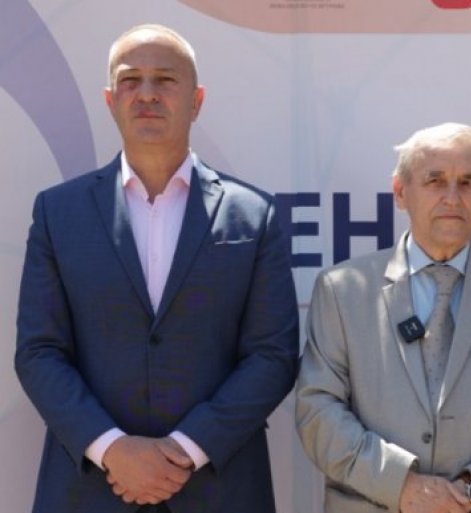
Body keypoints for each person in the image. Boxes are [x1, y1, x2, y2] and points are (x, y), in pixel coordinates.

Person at [14, 24, 299, 513]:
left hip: (219, 490)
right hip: (89, 490)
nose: (146, 93)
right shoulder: (58, 213)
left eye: (165, 79)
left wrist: (184, 451)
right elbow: (39, 351)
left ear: (197, 100)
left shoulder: (254, 215)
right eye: (130, 80)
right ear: (110, 101)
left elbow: (272, 356)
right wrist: (111, 449)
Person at [296, 122, 471, 513]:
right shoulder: (341, 291)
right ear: (400, 192)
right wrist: (402, 486)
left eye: (469, 183)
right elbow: (318, 412)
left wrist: (469, 493)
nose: (452, 198)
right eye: (435, 181)